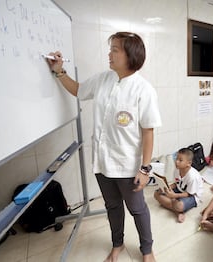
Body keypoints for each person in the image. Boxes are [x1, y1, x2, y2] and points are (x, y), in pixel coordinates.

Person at [47, 32, 161, 262]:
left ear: (130, 55)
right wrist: (59, 71)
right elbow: (78, 90)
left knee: (137, 209)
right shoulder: (103, 79)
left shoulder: (143, 89)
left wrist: (145, 169)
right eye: (111, 49)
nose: (109, 54)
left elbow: (148, 131)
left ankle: (147, 250)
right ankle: (117, 244)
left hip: (128, 166)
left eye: (115, 49)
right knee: (112, 207)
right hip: (102, 162)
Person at [154, 148, 204, 223]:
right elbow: (176, 183)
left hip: (192, 196)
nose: (176, 162)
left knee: (179, 206)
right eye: (176, 159)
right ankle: (176, 209)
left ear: (189, 163)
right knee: (156, 194)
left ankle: (178, 211)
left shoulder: (193, 177)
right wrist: (167, 188)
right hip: (180, 190)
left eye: (180, 160)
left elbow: (189, 193)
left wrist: (174, 196)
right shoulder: (177, 170)